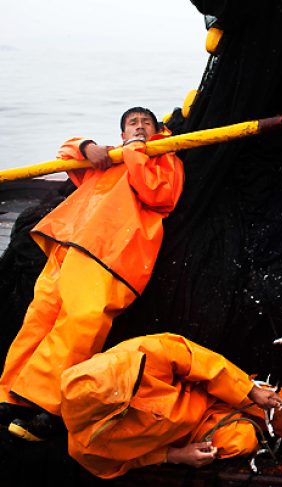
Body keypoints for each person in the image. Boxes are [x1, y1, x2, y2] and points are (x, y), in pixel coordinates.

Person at [0, 107, 185, 440]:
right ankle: (10, 396)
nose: (140, 128)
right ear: (122, 133)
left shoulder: (163, 157)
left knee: (81, 322)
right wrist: (88, 146)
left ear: (158, 130)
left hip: (111, 253)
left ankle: (49, 406)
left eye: (147, 123)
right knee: (39, 319)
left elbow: (160, 195)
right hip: (67, 245)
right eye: (133, 124)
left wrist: (137, 153)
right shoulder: (109, 158)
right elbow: (66, 151)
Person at [59, 333, 282, 479]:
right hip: (190, 434)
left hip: (216, 395)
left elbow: (201, 363)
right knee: (243, 441)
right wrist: (175, 456)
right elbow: (125, 463)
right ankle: (269, 438)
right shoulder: (86, 446)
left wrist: (249, 390)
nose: (137, 379)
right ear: (111, 413)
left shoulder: (137, 353)